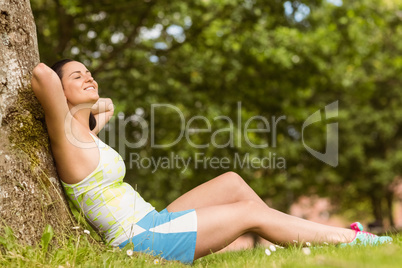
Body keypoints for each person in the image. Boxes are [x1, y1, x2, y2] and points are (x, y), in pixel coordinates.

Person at [31, 59, 392, 264]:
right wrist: (64, 100)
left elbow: (107, 104)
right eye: (77, 76)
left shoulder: (88, 131)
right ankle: (352, 239)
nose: (89, 77)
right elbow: (42, 75)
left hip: (151, 220)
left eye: (89, 71)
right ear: (60, 96)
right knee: (250, 212)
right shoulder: (66, 136)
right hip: (136, 239)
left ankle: (289, 236)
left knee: (233, 182)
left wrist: (85, 99)